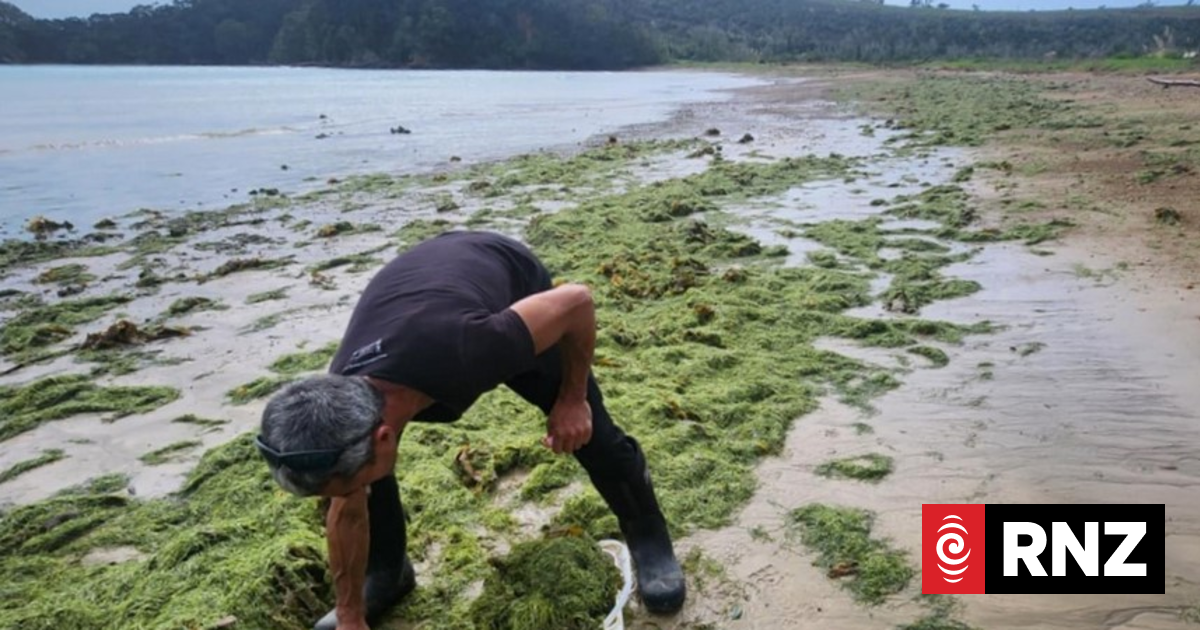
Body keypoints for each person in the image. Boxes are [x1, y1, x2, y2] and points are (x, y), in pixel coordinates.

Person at [256, 230, 686, 630]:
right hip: (423, 288)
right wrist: (350, 613)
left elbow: (576, 301)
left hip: (506, 278)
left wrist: (572, 399)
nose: (344, 500)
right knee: (361, 476)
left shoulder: (473, 347)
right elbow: (346, 506)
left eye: (343, 490)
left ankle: (648, 535)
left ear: (385, 436)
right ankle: (388, 572)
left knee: (590, 430)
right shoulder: (341, 403)